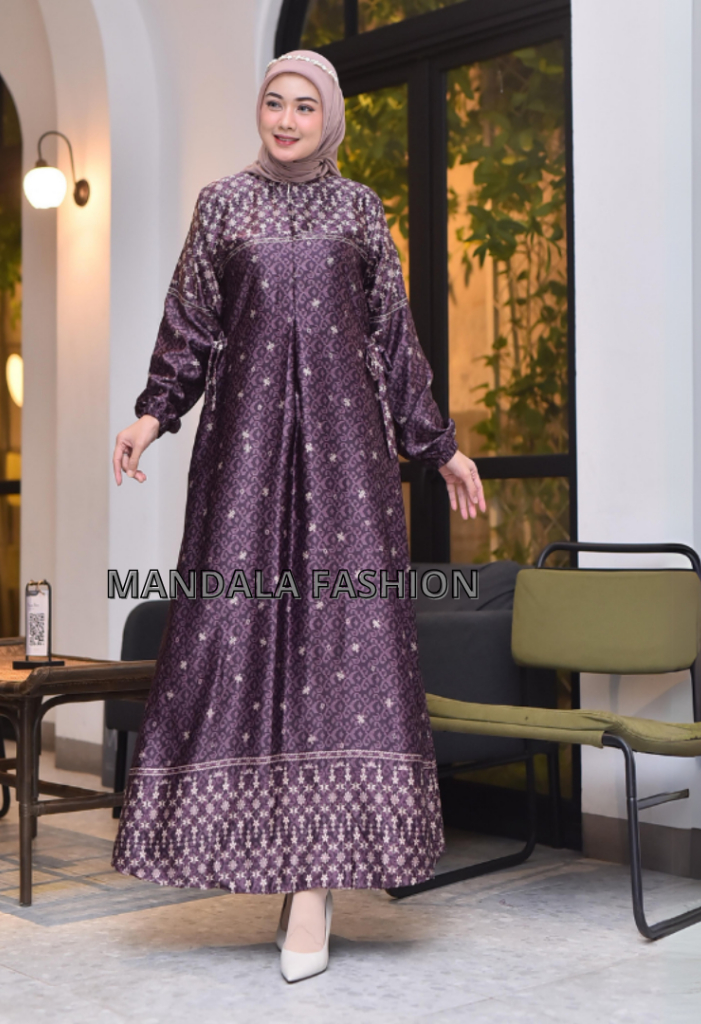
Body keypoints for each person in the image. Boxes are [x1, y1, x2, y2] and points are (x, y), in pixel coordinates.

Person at [111, 49, 485, 983]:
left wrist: (439, 446)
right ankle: (286, 865)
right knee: (236, 643)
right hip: (242, 461)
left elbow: (393, 337)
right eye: (274, 102)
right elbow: (190, 325)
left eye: (304, 105)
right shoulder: (221, 206)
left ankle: (313, 889)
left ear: (331, 119)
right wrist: (154, 414)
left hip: (347, 464)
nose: (285, 119)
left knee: (340, 652)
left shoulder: (359, 209)